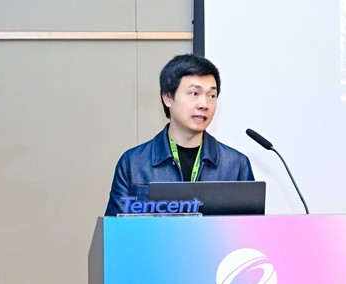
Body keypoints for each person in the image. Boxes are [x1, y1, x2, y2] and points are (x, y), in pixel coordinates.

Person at [104, 54, 255, 216]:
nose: (204, 104)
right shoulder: (133, 162)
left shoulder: (236, 165)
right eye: (194, 93)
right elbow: (114, 229)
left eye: (211, 96)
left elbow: (250, 228)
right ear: (168, 98)